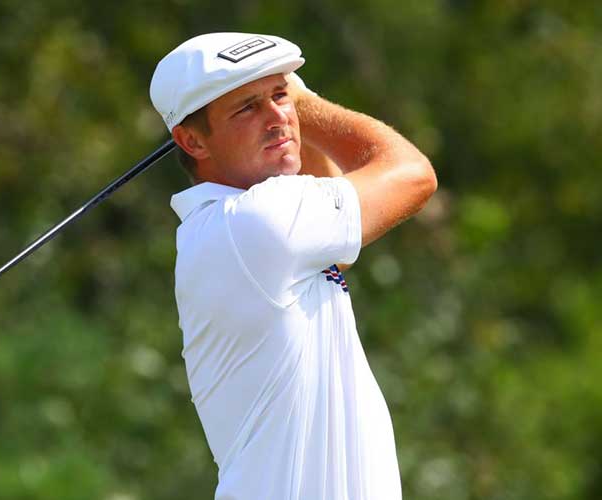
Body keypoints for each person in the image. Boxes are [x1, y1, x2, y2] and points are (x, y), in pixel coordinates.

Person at [150, 32, 437, 500]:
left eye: (280, 95)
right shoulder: (259, 221)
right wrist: (307, 103)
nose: (279, 117)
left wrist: (287, 106)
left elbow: (339, 250)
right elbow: (412, 173)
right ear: (191, 141)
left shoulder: (232, 228)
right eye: (247, 107)